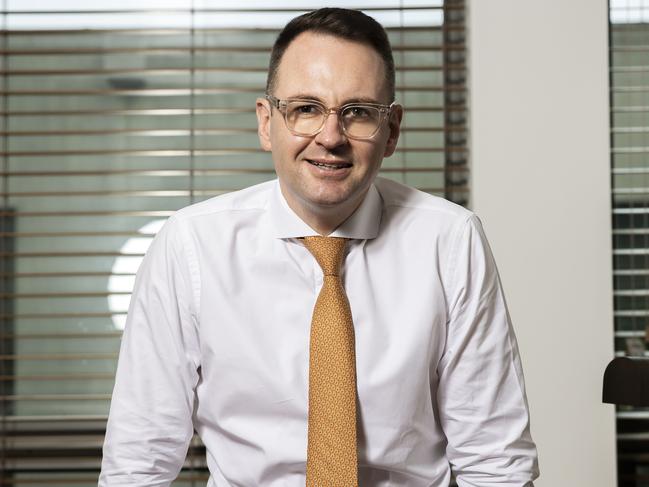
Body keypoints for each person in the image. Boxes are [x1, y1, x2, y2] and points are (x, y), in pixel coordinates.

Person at [99, 8, 539, 487]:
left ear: (391, 130)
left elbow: (495, 459)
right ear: (267, 123)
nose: (330, 138)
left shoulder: (450, 241)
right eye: (306, 108)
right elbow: (140, 459)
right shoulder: (190, 247)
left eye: (358, 113)